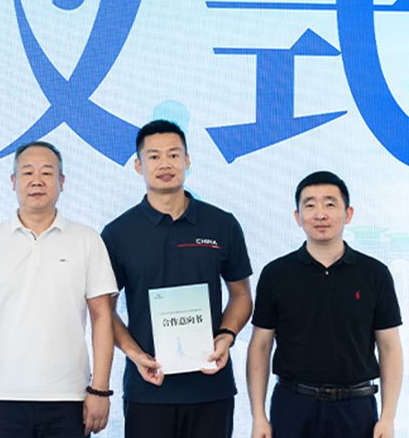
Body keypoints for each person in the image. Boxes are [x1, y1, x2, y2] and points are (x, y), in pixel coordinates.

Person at [101, 120, 253, 438]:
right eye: (154, 156)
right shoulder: (118, 233)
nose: (165, 164)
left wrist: (225, 337)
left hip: (211, 386)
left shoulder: (221, 224)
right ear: (138, 165)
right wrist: (136, 355)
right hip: (148, 388)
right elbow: (104, 311)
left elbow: (241, 295)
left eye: (173, 154)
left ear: (187, 161)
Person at [0, 141, 117, 438]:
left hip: (70, 396)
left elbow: (102, 317)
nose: (37, 180)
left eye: (47, 172)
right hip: (4, 395)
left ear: (62, 182)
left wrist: (100, 389)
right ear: (13, 181)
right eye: (27, 172)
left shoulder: (87, 240)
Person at [247, 171, 403, 438]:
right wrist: (258, 416)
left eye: (330, 204)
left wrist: (388, 417)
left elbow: (389, 347)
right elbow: (260, 347)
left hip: (356, 408)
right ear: (297, 217)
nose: (320, 214)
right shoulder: (276, 274)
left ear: (348, 214)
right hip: (293, 406)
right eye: (310, 205)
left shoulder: (374, 273)